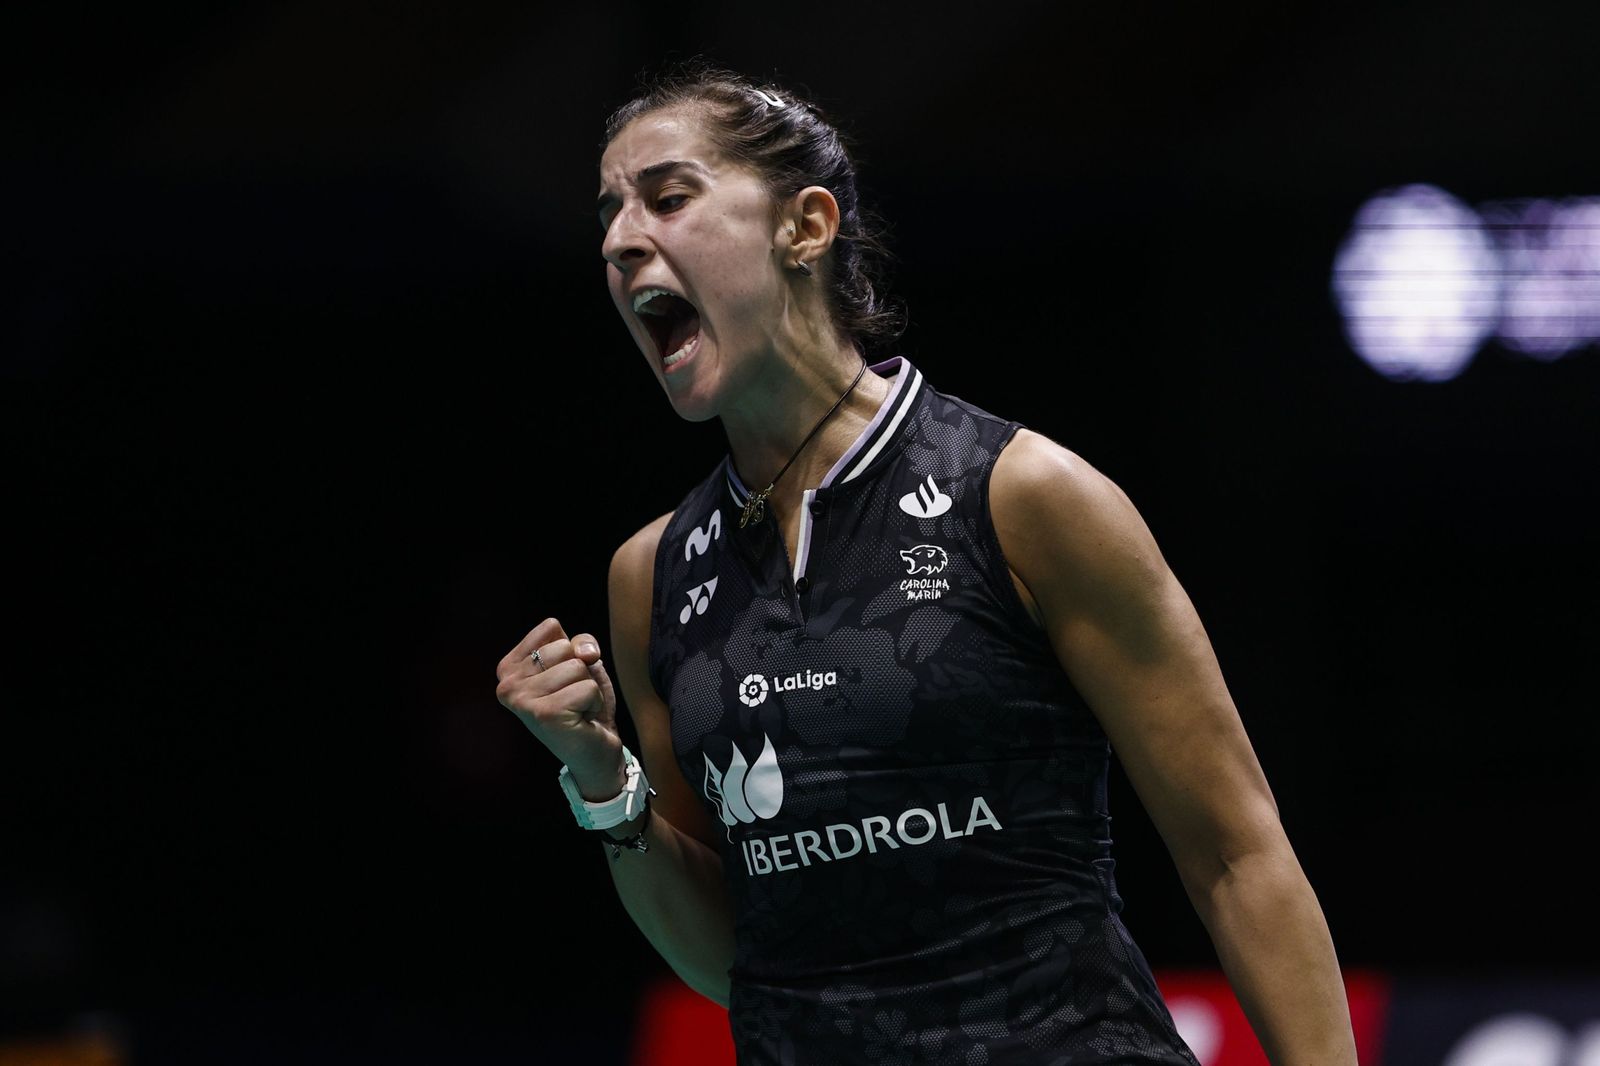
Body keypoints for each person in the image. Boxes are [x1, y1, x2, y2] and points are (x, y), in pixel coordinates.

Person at [495, 61, 1357, 1065]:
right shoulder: (654, 574)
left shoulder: (1025, 498)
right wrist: (604, 781)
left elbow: (1234, 853)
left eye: (668, 197)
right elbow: (729, 956)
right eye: (607, 214)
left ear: (804, 227)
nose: (618, 238)